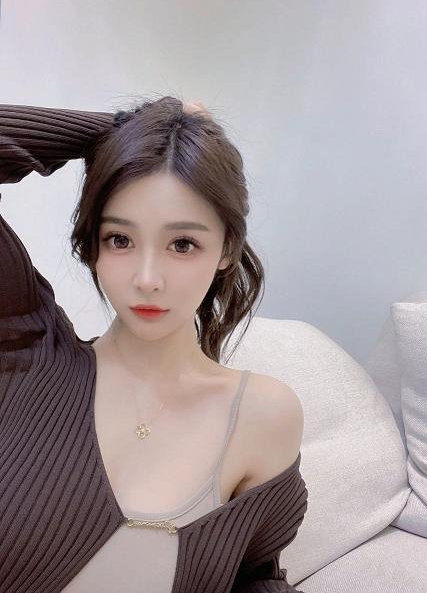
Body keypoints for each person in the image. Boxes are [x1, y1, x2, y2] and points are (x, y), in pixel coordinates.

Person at [0, 97, 308, 592]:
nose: (147, 279)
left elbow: (253, 577)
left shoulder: (263, 414)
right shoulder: (27, 355)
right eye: (120, 240)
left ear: (227, 248)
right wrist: (128, 128)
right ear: (92, 245)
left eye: (182, 244)